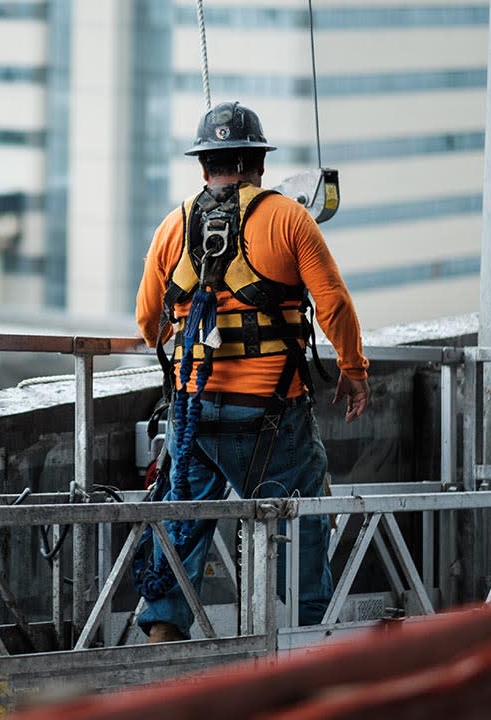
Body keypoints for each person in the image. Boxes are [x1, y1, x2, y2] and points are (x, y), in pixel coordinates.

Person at [133, 101, 370, 643]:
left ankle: (162, 654)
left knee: (182, 530)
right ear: (259, 163)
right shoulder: (289, 217)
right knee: (304, 526)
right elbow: (332, 303)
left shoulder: (174, 225)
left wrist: (179, 338)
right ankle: (307, 649)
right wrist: (354, 370)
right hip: (272, 418)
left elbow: (148, 320)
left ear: (203, 167)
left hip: (195, 416)